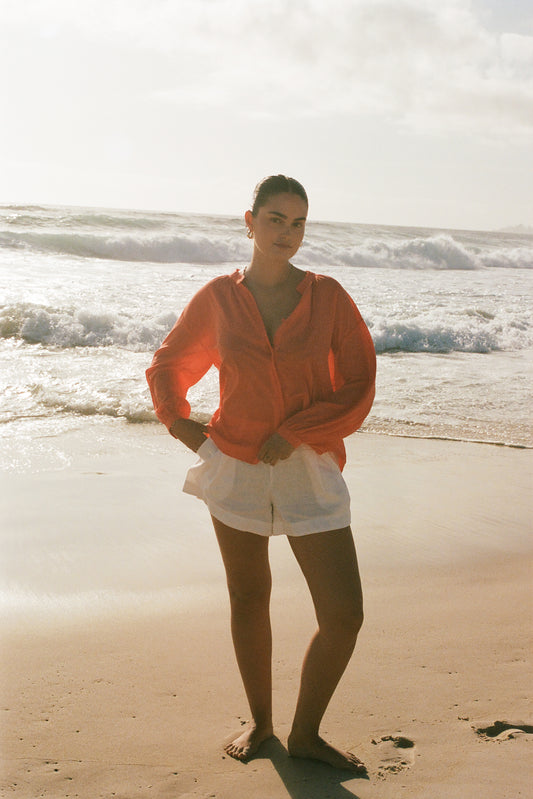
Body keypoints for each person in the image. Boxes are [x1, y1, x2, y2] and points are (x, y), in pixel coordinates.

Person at [146, 175, 376, 773]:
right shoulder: (218, 299)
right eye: (275, 219)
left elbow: (359, 383)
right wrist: (182, 424)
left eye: (298, 223)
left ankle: (306, 734)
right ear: (249, 222)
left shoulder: (328, 297)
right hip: (236, 468)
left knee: (344, 615)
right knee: (249, 598)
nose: (287, 233)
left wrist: (297, 431)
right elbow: (169, 363)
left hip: (308, 467)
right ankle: (262, 724)